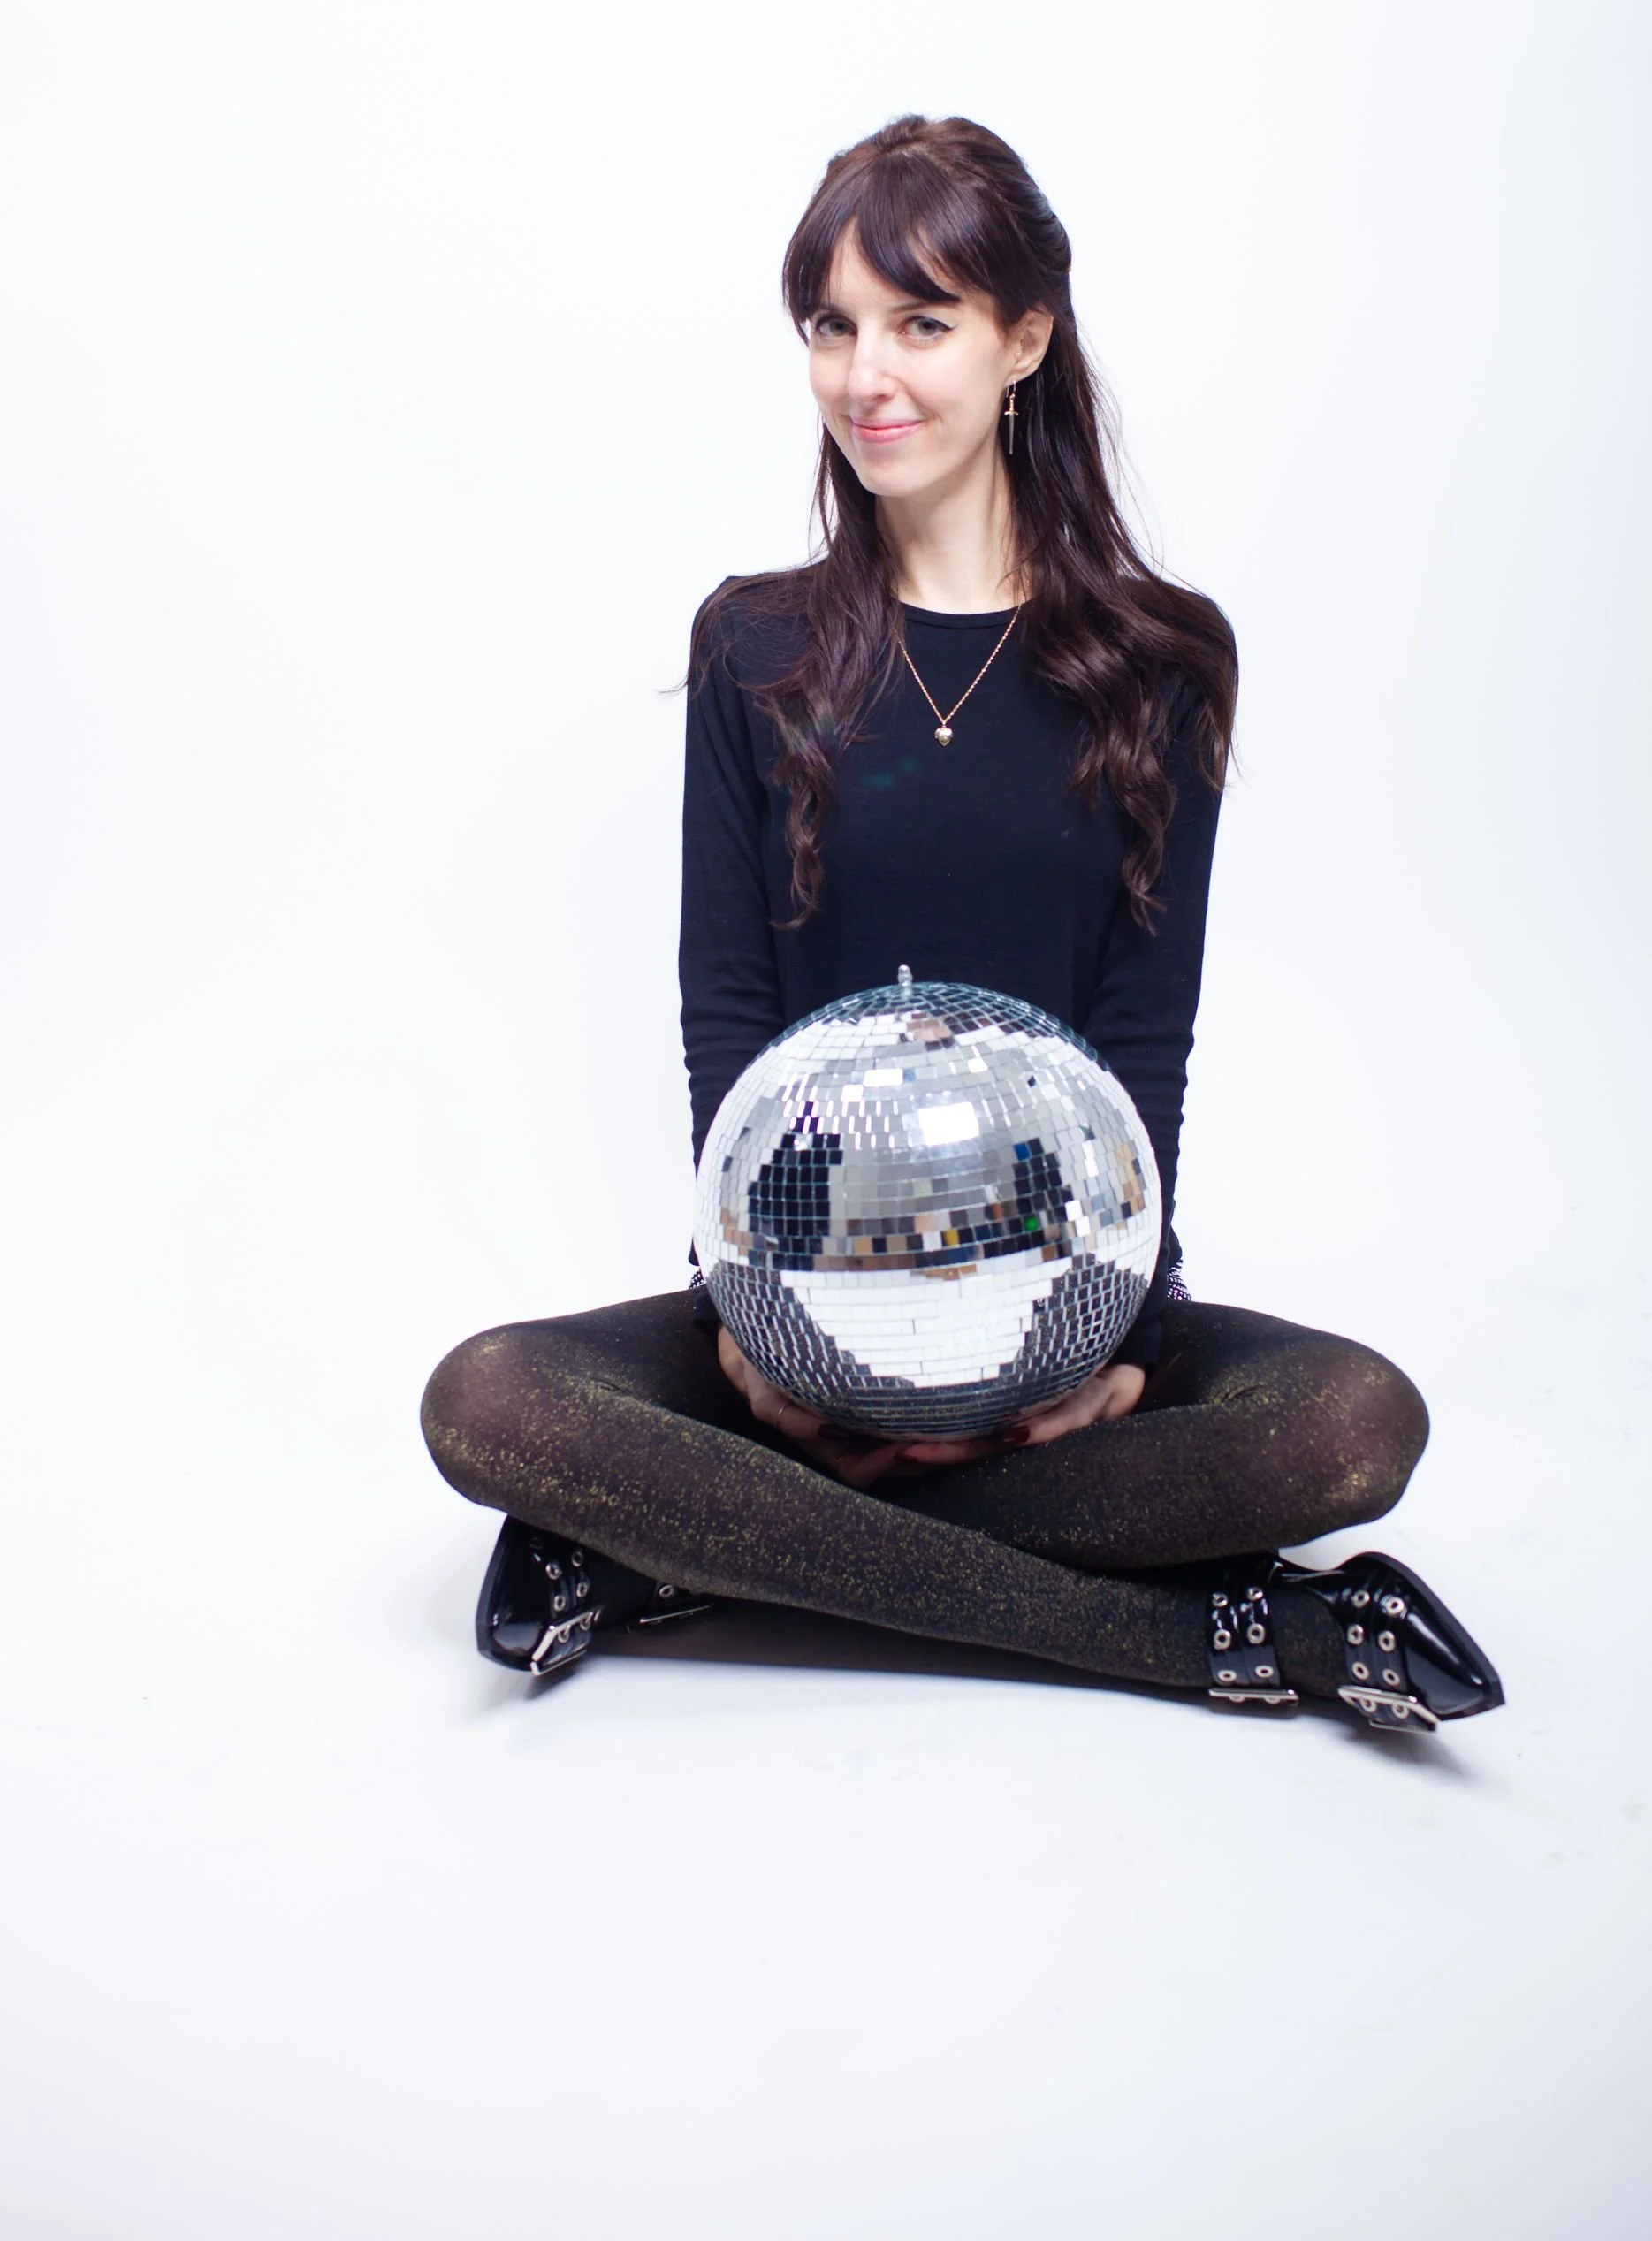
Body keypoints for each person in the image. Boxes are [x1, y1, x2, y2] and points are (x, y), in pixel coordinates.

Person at [420, 113, 1503, 1734]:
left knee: (1347, 1429)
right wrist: (775, 1337)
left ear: (1026, 340)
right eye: (833, 327)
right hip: (802, 1298)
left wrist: (1101, 1345)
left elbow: (1147, 1033)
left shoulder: (1165, 662)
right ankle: (1225, 1634)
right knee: (491, 1399)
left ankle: (680, 1557)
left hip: (1065, 1299)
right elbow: (728, 1009)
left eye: (921, 323)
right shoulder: (756, 648)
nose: (871, 376)